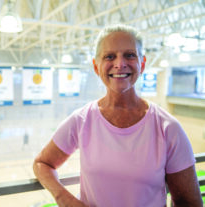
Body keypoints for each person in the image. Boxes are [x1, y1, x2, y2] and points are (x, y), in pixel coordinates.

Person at [33, 24, 203, 207]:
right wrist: (65, 200)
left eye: (129, 55)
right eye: (109, 56)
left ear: (142, 64)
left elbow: (188, 202)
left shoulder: (167, 128)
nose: (120, 64)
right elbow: (42, 164)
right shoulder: (82, 120)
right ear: (96, 67)